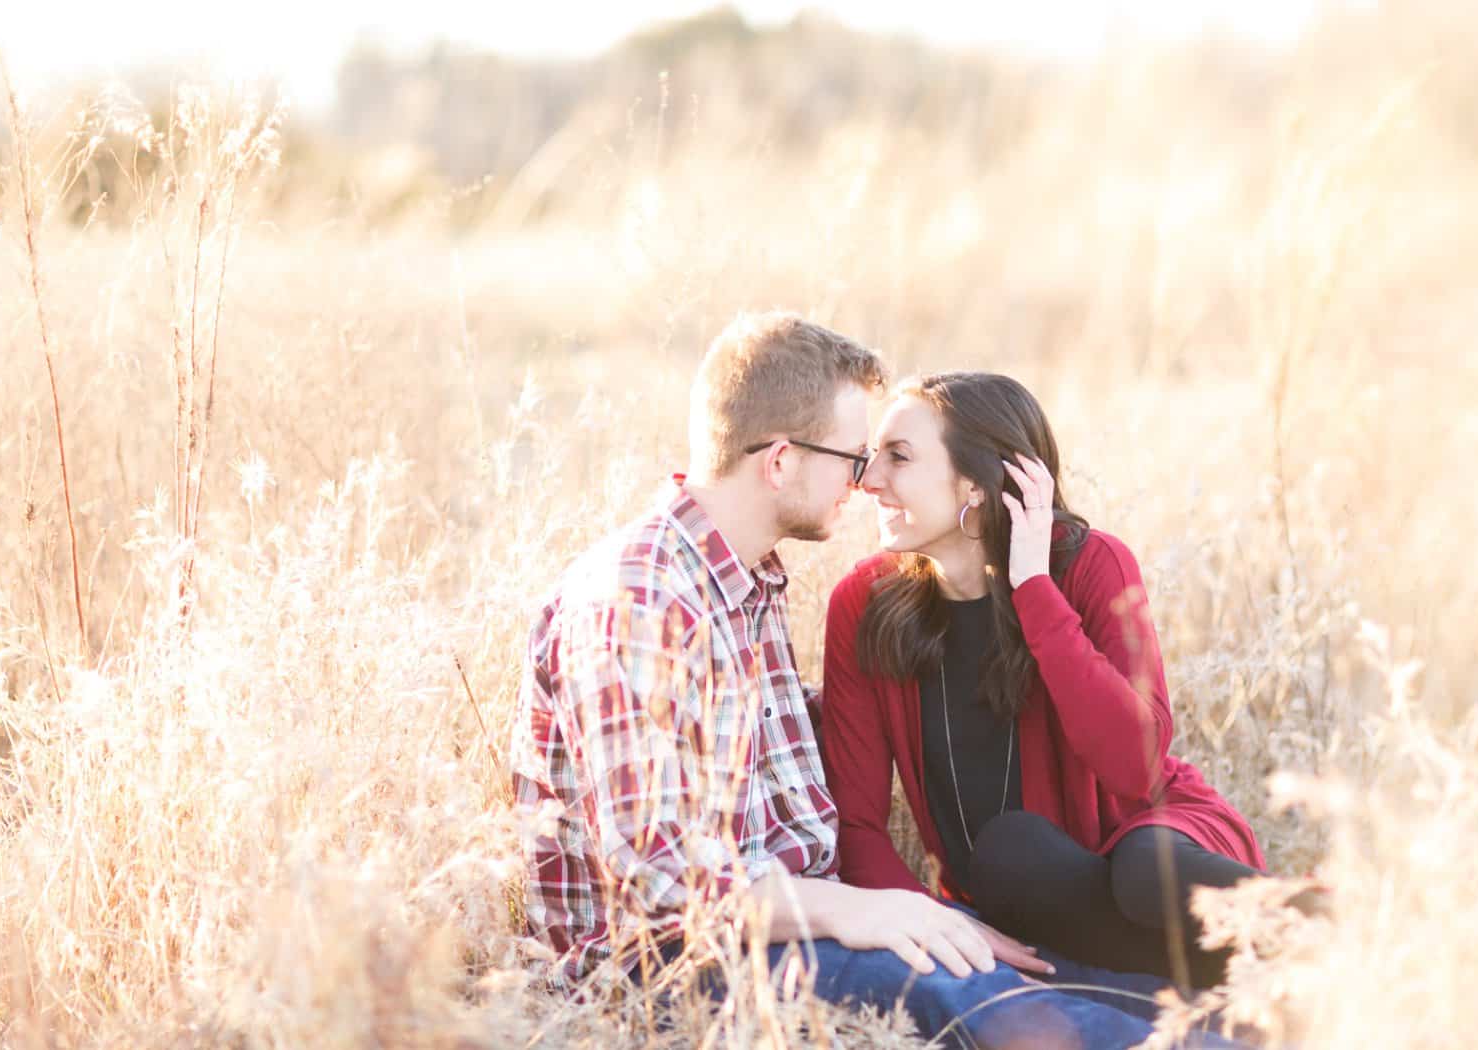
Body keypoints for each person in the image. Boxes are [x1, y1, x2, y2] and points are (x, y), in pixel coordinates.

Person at [511, 318, 1241, 1048]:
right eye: (854, 458)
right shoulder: (641, 600)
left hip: (804, 922)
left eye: (881, 457)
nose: (863, 482)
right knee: (1008, 1006)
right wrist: (855, 911)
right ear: (781, 462)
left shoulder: (744, 583)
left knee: (1110, 989)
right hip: (683, 967)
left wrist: (892, 908)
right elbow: (665, 884)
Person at [820, 371, 1269, 992]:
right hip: (1033, 897)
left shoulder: (1090, 566)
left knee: (1140, 869)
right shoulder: (864, 606)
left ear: (977, 483)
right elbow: (859, 827)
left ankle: (1338, 933)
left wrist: (1033, 586)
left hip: (1164, 858)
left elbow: (1137, 768)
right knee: (1009, 855)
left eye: (898, 457)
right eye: (874, 457)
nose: (868, 480)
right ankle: (1240, 988)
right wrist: (937, 920)